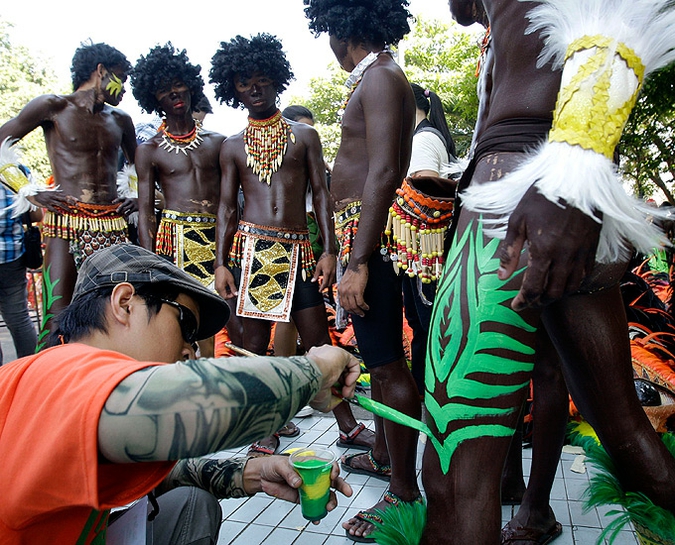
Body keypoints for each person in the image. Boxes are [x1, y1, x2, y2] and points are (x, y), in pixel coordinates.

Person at [420, 1, 675, 543]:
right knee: (632, 444)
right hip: (547, 193)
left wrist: (570, 175)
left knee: (451, 477)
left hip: (519, 199)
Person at [0, 243, 358, 543]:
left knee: (191, 502)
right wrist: (316, 370)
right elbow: (190, 401)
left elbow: (155, 469)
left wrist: (252, 473)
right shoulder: (54, 374)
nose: (191, 350)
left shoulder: (71, 387)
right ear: (125, 303)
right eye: (184, 324)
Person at [210, 33, 374, 456]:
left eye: (262, 80)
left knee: (319, 341)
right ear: (234, 89)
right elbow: (227, 207)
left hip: (301, 253)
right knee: (255, 348)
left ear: (276, 80)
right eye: (244, 83)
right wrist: (220, 263)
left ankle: (347, 427)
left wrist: (330, 250)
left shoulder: (304, 136)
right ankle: (264, 432)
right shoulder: (231, 147)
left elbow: (322, 194)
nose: (254, 89)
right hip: (254, 252)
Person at [303, 1, 419, 541]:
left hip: (372, 244)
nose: (327, 43)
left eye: (327, 32)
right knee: (387, 363)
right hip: (365, 239)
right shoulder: (382, 75)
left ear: (343, 28)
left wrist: (358, 261)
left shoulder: (379, 76)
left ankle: (402, 493)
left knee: (388, 366)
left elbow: (383, 172)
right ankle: (390, 463)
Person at [0, 42, 138, 342]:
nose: (124, 89)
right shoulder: (53, 107)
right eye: (120, 78)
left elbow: (139, 167)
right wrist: (30, 192)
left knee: (114, 317)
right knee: (55, 318)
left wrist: (136, 196)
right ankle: (47, 386)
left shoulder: (120, 119)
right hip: (66, 223)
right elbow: (0, 146)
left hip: (113, 226)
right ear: (100, 71)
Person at [133, 43, 226, 358]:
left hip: (219, 237)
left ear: (191, 85)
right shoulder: (150, 150)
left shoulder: (219, 143)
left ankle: (211, 387)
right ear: (153, 97)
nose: (174, 92)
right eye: (163, 89)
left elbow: (232, 201)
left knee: (215, 317)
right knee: (180, 316)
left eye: (178, 83)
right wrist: (148, 264)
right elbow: (145, 212)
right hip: (174, 239)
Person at [403, 83, 461, 394]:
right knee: (426, 326)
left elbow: (423, 185)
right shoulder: (430, 135)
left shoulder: (422, 139)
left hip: (425, 248)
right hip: (429, 247)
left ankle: (435, 398)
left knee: (428, 327)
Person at [0, 173, 39, 364]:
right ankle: (30, 373)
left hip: (11, 257)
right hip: (11, 257)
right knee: (19, 318)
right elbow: (36, 213)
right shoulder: (17, 171)